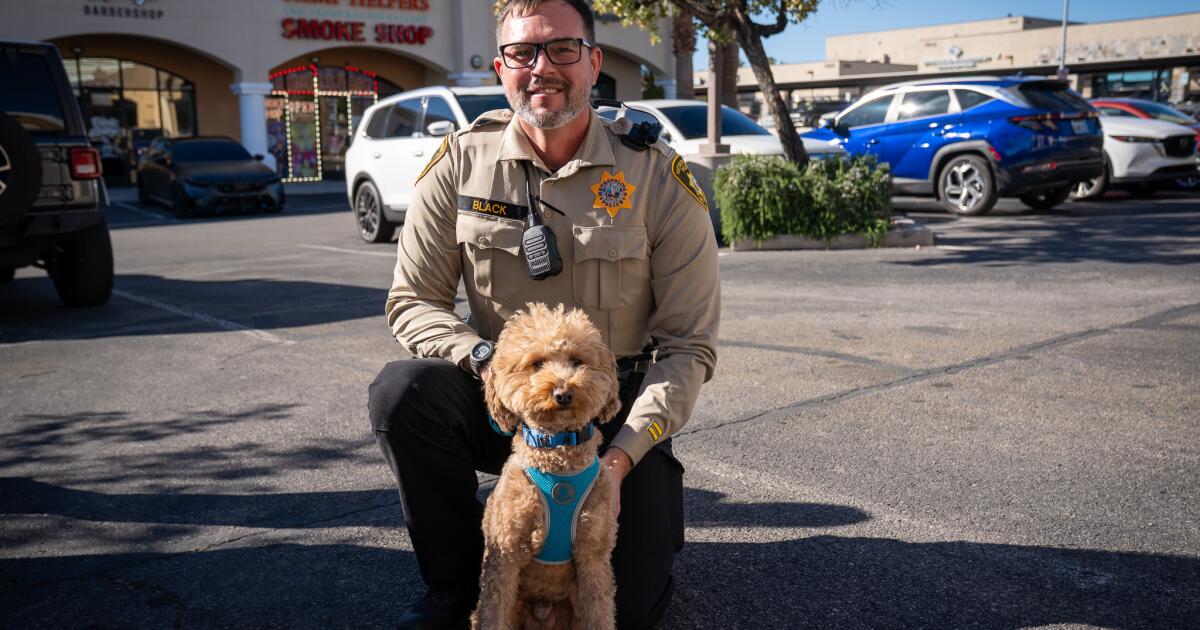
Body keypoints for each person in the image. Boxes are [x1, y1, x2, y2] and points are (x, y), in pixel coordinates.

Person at [367, 0, 719, 627]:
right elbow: (412, 301)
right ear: (502, 66)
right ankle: (455, 587)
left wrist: (617, 464)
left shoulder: (657, 175)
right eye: (524, 53)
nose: (542, 68)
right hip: (505, 401)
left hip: (616, 416)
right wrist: (485, 362)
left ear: (593, 61)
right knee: (403, 393)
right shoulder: (460, 163)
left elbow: (689, 346)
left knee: (628, 607)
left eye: (561, 49)